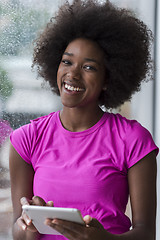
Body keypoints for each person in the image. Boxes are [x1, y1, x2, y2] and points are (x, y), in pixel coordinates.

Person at [9, 0, 159, 240]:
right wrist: (28, 226)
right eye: (67, 62)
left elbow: (147, 233)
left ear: (109, 78)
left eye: (89, 67)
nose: (73, 74)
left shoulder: (132, 140)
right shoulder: (26, 139)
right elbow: (17, 233)